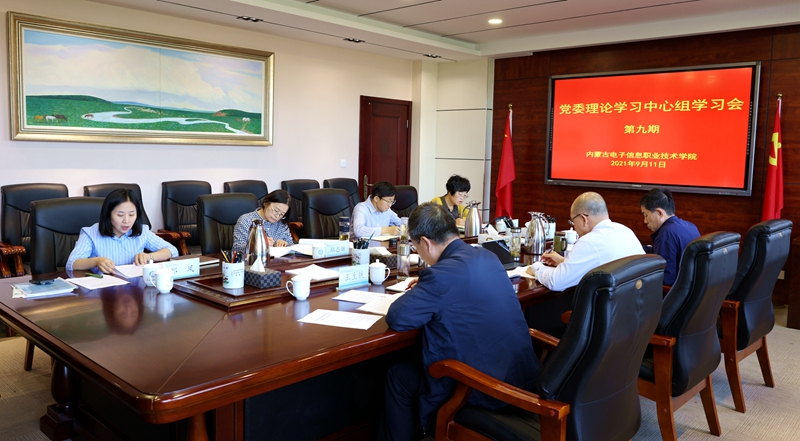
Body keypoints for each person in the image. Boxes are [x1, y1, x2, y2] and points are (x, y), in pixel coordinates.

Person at [379, 203, 539, 441]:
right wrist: (427, 287)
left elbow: (398, 317)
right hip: (521, 379)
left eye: (415, 247)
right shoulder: (488, 257)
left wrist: (427, 286)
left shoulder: (439, 276)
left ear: (426, 242)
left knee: (398, 376)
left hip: (482, 392)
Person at [527, 191, 644, 291]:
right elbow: (600, 263)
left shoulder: (589, 241)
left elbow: (556, 282)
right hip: (635, 306)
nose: (574, 226)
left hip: (605, 309)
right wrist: (564, 261)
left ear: (584, 219)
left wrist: (536, 267)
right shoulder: (626, 231)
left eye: (573, 221)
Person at [66, 189, 179, 273]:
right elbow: (72, 263)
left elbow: (172, 250)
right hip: (103, 290)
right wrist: (96, 261)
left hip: (134, 289)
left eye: (131, 214)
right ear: (108, 214)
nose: (127, 221)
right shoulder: (91, 233)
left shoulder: (142, 232)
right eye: (120, 215)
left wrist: (149, 257)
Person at [639, 188, 700, 285]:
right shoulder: (691, 226)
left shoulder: (666, 234)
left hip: (674, 292)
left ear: (659, 213)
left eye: (646, 215)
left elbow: (665, 280)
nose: (645, 221)